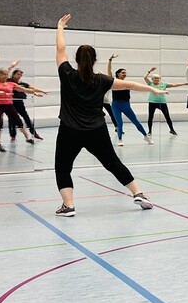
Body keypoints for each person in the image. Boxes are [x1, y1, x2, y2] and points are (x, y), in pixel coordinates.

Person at [53, 14, 160, 217]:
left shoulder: (66, 74)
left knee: (63, 167)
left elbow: (60, 50)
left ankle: (69, 206)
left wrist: (60, 27)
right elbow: (129, 85)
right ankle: (139, 193)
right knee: (112, 163)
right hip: (96, 129)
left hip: (69, 130)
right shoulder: (101, 80)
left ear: (76, 60)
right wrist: (152, 90)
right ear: (94, 60)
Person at [0, 55, 44, 144]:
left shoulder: (10, 83)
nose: (6, 76)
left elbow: (24, 89)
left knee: (18, 120)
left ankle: (27, 137)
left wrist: (34, 92)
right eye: (4, 74)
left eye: (6, 74)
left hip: (9, 104)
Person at [109, 58, 152, 146]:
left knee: (135, 121)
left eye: (125, 73)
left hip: (125, 104)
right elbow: (109, 71)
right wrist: (110, 60)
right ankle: (120, 139)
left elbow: (138, 87)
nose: (125, 74)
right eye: (123, 72)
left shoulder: (127, 83)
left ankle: (145, 136)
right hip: (115, 104)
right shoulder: (113, 82)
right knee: (119, 123)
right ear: (118, 74)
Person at [143, 68, 188, 135]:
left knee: (167, 116)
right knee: (150, 117)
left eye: (158, 78)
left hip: (162, 103)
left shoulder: (164, 84)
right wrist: (149, 71)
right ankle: (149, 131)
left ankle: (172, 130)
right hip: (152, 102)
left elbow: (173, 85)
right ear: (152, 79)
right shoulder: (150, 84)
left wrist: (183, 84)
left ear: (160, 79)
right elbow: (145, 77)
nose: (156, 79)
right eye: (155, 78)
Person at [9, 65, 43, 141]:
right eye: (18, 74)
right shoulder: (9, 82)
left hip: (19, 103)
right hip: (10, 103)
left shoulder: (23, 83)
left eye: (20, 75)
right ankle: (13, 135)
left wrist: (39, 91)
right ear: (13, 74)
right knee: (12, 119)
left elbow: (31, 88)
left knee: (26, 118)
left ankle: (34, 133)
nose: (19, 76)